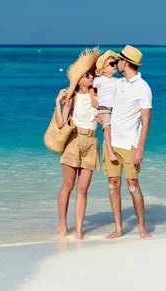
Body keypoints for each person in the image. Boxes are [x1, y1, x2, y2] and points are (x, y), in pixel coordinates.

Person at [102, 45, 152, 239]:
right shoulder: (118, 84)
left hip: (130, 144)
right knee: (113, 184)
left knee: (133, 186)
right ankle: (118, 228)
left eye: (118, 61)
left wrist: (140, 148)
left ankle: (141, 227)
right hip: (112, 142)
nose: (116, 65)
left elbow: (146, 121)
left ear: (125, 62)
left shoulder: (143, 87)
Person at [54, 47, 101, 239]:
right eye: (87, 75)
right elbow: (60, 123)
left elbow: (106, 114)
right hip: (74, 140)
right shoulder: (71, 98)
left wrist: (94, 98)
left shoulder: (98, 95)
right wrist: (58, 103)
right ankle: (63, 224)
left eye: (92, 74)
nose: (91, 77)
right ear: (79, 78)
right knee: (68, 185)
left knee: (83, 189)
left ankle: (79, 230)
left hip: (92, 142)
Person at [91, 50, 120, 161]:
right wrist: (93, 97)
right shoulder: (99, 80)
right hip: (103, 109)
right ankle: (109, 150)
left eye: (115, 63)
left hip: (114, 109)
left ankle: (115, 146)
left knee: (113, 128)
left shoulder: (117, 81)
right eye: (112, 64)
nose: (115, 66)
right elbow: (89, 87)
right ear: (103, 70)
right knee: (107, 128)